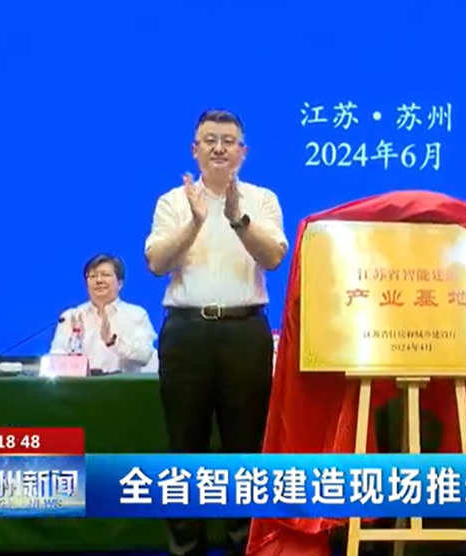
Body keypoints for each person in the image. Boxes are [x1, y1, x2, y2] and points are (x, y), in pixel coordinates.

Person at [145, 109, 288, 556]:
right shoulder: (173, 202)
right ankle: (186, 548)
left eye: (228, 141)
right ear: (195, 150)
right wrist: (195, 220)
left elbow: (273, 258)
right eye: (210, 140)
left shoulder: (262, 199)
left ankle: (244, 546)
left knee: (244, 448)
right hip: (187, 333)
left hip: (245, 331)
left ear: (243, 152)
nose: (219, 148)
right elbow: (156, 263)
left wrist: (236, 217)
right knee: (184, 447)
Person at [49, 253, 156, 373]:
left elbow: (144, 356)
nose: (99, 280)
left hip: (122, 383)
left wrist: (114, 342)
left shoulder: (136, 315)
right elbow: (56, 358)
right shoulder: (70, 317)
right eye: (93, 276)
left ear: (120, 283)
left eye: (106, 275)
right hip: (80, 384)